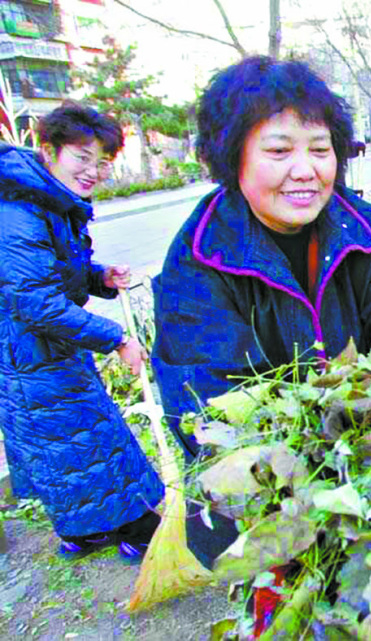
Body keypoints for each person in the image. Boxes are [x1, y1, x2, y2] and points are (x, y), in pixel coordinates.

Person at [151, 56, 371, 566]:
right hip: (266, 503)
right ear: (232, 158)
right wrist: (311, 482)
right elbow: (209, 411)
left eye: (320, 150)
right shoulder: (198, 260)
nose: (305, 171)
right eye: (279, 151)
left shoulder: (370, 231)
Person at [0, 103, 164, 563]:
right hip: (30, 352)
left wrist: (98, 277)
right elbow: (36, 301)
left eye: (103, 162)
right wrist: (116, 338)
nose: (94, 171)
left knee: (65, 449)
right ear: (48, 150)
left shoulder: (45, 197)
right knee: (96, 440)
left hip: (40, 348)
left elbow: (50, 271)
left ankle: (84, 533)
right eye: (82, 158)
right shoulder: (19, 209)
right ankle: (142, 529)